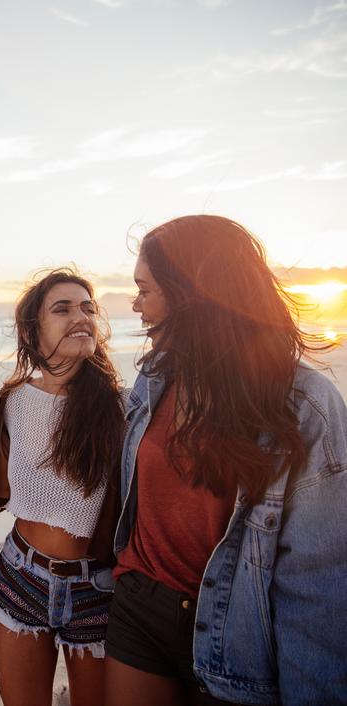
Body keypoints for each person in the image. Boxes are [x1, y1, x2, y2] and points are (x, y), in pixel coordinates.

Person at [104, 215, 347, 706]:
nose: (136, 305)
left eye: (145, 291)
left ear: (191, 296)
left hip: (232, 628)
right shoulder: (154, 378)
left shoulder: (306, 406)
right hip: (139, 606)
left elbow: (317, 590)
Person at [0, 269, 126, 706]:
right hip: (20, 576)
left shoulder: (122, 406)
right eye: (62, 308)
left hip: (97, 587)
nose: (80, 316)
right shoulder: (13, 400)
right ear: (32, 329)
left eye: (87, 307)